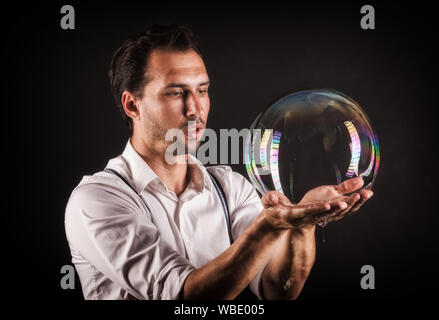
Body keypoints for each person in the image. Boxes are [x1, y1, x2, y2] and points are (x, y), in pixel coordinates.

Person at [64, 24, 373, 300]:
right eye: (176, 93)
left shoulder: (229, 187)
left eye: (202, 90)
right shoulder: (97, 199)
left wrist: (302, 228)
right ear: (133, 104)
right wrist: (267, 230)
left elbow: (277, 290)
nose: (195, 109)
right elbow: (185, 297)